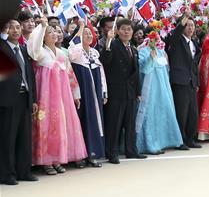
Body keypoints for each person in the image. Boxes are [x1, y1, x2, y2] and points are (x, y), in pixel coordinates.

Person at [28, 18, 89, 174]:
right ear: (42, 36)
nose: (54, 34)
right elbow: (34, 47)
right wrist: (42, 26)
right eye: (50, 32)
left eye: (55, 31)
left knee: (61, 125)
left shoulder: (61, 53)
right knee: (46, 125)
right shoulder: (40, 52)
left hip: (62, 96)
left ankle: (57, 158)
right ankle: (46, 160)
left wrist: (76, 94)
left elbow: (70, 75)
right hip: (46, 96)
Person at [100, 18, 146, 164]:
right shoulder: (113, 45)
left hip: (130, 92)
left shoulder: (133, 49)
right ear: (117, 31)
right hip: (116, 91)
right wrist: (108, 41)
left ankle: (131, 150)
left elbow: (136, 72)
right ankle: (112, 153)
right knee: (114, 124)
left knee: (130, 123)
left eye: (129, 29)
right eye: (123, 29)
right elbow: (105, 60)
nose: (126, 32)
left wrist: (138, 92)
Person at [0, 19, 38, 185]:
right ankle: (7, 174)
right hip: (8, 99)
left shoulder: (23, 49)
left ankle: (24, 171)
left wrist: (33, 99)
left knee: (25, 137)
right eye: (10, 28)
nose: (15, 30)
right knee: (8, 137)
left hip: (25, 97)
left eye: (17, 27)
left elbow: (30, 76)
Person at [136, 36, 183, 154]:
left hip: (163, 88)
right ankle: (150, 144)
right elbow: (144, 69)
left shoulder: (162, 52)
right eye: (153, 37)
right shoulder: (142, 51)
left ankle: (165, 142)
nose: (156, 40)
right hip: (150, 89)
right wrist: (150, 58)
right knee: (150, 114)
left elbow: (166, 70)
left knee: (163, 113)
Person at [67, 22, 106, 166]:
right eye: (85, 33)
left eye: (90, 33)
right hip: (83, 93)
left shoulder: (95, 53)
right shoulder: (76, 53)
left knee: (95, 120)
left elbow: (101, 73)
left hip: (95, 93)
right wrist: (81, 27)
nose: (89, 36)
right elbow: (73, 49)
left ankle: (93, 153)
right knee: (83, 120)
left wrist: (104, 92)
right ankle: (80, 155)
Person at [164, 15, 202, 150]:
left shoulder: (194, 43)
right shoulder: (177, 41)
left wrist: (196, 82)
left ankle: (190, 139)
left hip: (191, 82)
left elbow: (194, 65)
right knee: (181, 113)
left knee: (193, 113)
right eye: (187, 25)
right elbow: (174, 35)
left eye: (192, 25)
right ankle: (180, 140)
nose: (190, 28)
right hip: (180, 81)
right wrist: (183, 19)